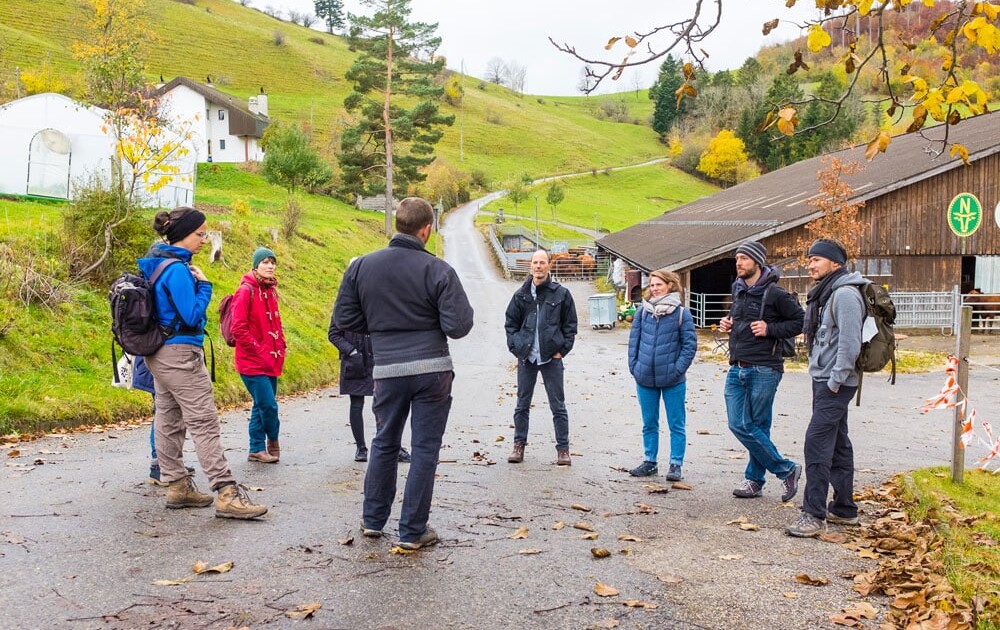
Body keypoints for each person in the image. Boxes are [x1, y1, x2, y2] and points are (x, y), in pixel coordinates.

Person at [334, 197, 474, 550]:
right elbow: (458, 326)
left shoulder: (362, 267)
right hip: (432, 370)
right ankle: (413, 530)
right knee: (425, 449)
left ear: (397, 224)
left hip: (387, 369)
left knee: (384, 441)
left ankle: (372, 519)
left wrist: (382, 327)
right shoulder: (439, 270)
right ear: (426, 230)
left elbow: (346, 320)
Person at [138, 206, 267, 520]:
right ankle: (226, 491)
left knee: (167, 418)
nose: (204, 240)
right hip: (181, 353)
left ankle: (177, 485)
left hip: (157, 353)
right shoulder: (177, 269)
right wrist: (206, 286)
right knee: (204, 421)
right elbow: (192, 314)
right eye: (200, 234)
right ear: (183, 235)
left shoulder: (154, 264)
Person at [786, 238, 867, 538]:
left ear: (835, 263)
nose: (810, 264)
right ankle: (844, 509)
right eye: (809, 259)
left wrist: (835, 380)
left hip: (835, 382)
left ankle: (813, 514)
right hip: (825, 379)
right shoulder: (828, 292)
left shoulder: (844, 294)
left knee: (816, 442)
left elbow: (850, 343)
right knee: (838, 442)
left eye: (817, 259)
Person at [719, 241, 804, 501]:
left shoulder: (775, 293)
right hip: (737, 366)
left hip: (765, 368)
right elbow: (739, 321)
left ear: (757, 262)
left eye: (744, 258)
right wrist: (727, 324)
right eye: (737, 259)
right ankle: (786, 469)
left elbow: (800, 321)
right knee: (740, 424)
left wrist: (770, 329)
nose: (739, 263)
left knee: (755, 426)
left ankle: (754, 480)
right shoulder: (738, 290)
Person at [504, 249, 578, 466]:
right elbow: (510, 324)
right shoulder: (521, 295)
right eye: (535, 262)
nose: (538, 266)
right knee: (522, 404)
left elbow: (570, 326)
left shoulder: (561, 294)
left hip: (550, 358)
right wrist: (517, 347)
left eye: (542, 262)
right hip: (527, 358)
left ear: (549, 266)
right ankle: (518, 446)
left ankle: (563, 450)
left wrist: (561, 350)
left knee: (558, 406)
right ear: (531, 266)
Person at [626, 269, 697, 481]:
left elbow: (689, 346)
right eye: (652, 285)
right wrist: (635, 367)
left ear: (670, 285)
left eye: (659, 285)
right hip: (645, 377)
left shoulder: (682, 314)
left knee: (676, 423)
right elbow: (634, 342)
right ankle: (650, 461)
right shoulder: (643, 312)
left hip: (673, 380)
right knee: (649, 422)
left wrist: (677, 369)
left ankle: (675, 464)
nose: (655, 289)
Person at [231, 247, 287, 464]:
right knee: (269, 405)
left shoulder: (270, 289)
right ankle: (272, 440)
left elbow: (276, 321)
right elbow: (238, 328)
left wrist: (280, 343)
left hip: (271, 358)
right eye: (265, 262)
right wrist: (258, 348)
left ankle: (256, 448)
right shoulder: (246, 290)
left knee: (261, 404)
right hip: (252, 361)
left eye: (272, 262)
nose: (270, 266)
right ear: (255, 266)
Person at [327, 319, 411, 463]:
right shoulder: (346, 302)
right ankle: (361, 448)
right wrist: (351, 351)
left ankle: (392, 447)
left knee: (387, 405)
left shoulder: (379, 299)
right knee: (356, 403)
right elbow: (334, 334)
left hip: (380, 359)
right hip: (356, 363)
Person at [134, 355, 194, 485]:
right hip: (158, 365)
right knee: (163, 414)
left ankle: (170, 464)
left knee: (169, 414)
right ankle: (159, 465)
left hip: (162, 365)